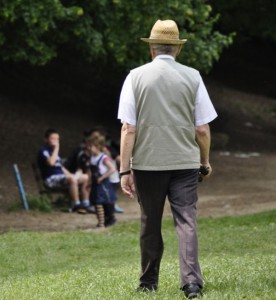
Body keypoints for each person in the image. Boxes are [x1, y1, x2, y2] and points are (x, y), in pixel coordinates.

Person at [118, 20, 217, 299]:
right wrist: (204, 161)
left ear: (151, 48)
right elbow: (202, 128)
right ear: (177, 50)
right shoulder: (193, 76)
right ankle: (192, 283)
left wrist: (125, 170)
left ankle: (149, 282)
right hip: (185, 163)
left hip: (148, 164)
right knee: (186, 220)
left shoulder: (135, 77)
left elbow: (129, 128)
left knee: (150, 220)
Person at [37, 128, 90, 212]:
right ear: (46, 139)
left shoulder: (55, 152)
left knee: (85, 177)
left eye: (57, 139)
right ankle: (76, 204)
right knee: (72, 179)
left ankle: (86, 203)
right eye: (52, 138)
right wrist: (56, 148)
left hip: (61, 177)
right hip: (50, 179)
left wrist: (70, 174)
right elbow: (51, 162)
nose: (56, 141)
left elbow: (61, 167)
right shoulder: (43, 151)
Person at [88, 136, 117, 227]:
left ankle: (106, 220)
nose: (89, 149)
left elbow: (112, 169)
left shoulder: (103, 157)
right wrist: (89, 181)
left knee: (103, 202)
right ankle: (101, 221)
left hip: (103, 183)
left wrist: (103, 177)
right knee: (97, 202)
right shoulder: (92, 157)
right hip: (95, 183)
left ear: (97, 146)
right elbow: (90, 171)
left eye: (91, 146)